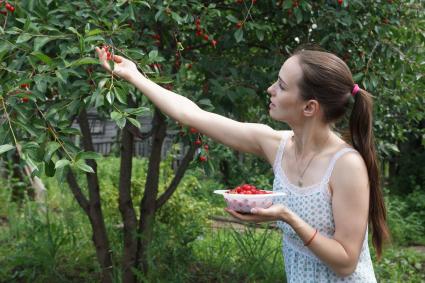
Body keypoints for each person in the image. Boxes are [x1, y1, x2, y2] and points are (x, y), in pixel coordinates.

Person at [95, 46, 389, 282]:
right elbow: (192, 114)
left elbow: (346, 262)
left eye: (282, 86)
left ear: (309, 107)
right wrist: (134, 76)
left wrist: (288, 217)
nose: (270, 89)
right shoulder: (276, 145)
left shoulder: (346, 165)